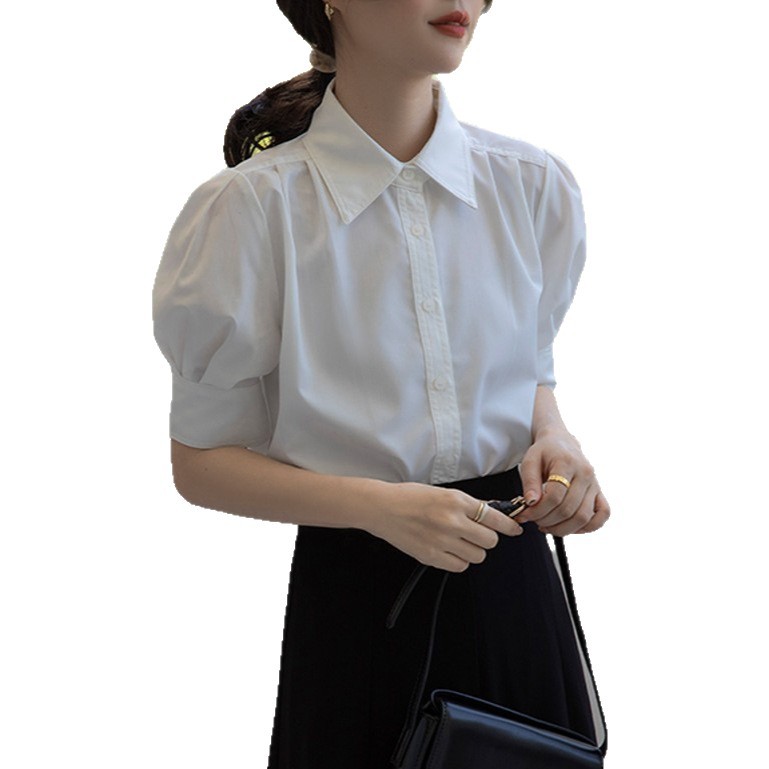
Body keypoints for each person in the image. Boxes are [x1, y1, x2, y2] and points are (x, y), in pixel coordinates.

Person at [153, 1, 610, 767]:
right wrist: (380, 507)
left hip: (517, 585)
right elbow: (200, 463)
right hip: (364, 596)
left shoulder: (531, 186)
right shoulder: (252, 209)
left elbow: (530, 372)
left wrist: (557, 441)